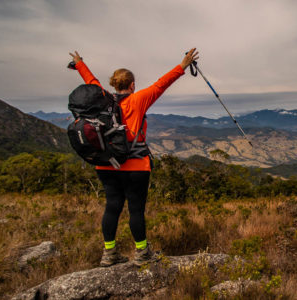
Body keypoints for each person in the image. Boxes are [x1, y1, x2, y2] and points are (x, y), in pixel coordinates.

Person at [69, 48, 199, 267]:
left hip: (106, 164)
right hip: (136, 165)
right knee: (136, 210)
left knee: (112, 207)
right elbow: (161, 84)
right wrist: (183, 64)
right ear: (132, 85)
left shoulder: (101, 99)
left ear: (113, 84)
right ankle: (142, 253)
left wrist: (80, 64)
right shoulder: (138, 100)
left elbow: (91, 81)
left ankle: (109, 253)